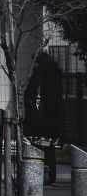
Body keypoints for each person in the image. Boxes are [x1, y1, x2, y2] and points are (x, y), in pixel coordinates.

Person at [24, 50, 64, 184]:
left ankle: (40, 174)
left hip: (41, 119)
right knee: (49, 147)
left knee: (39, 147)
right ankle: (51, 175)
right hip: (53, 119)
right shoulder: (55, 76)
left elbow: (32, 97)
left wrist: (33, 113)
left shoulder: (39, 77)